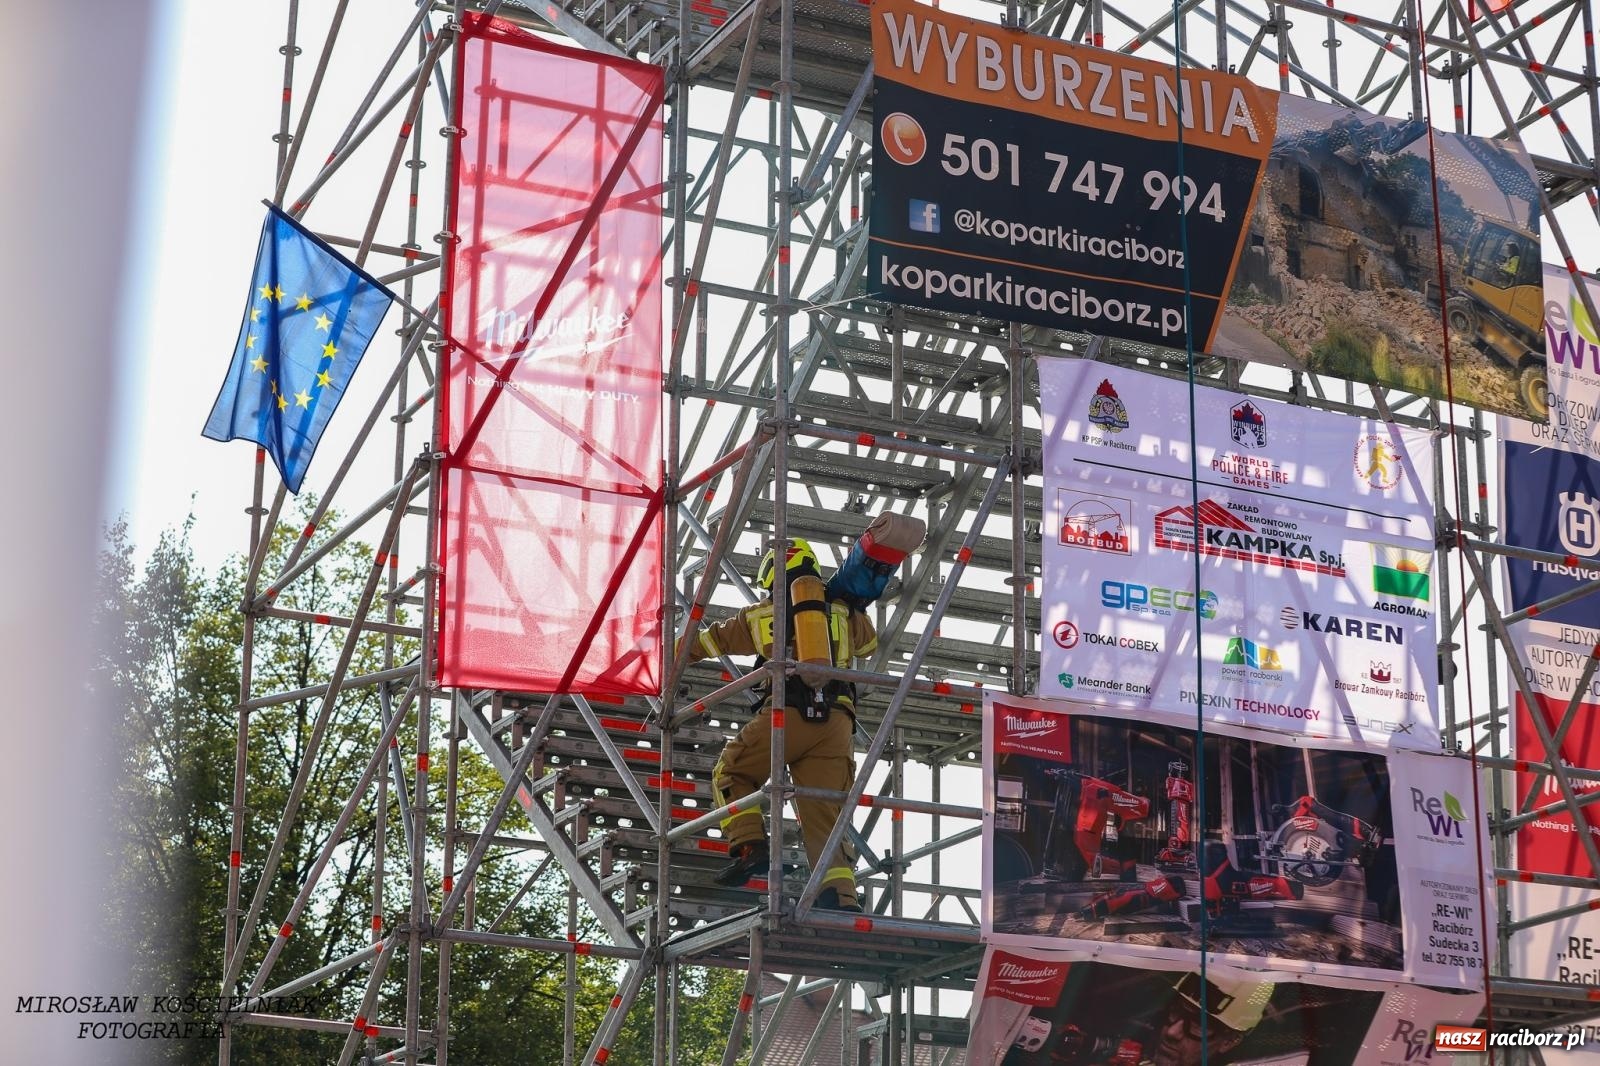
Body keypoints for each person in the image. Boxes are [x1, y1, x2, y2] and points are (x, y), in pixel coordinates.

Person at [684, 538, 877, 912]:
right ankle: (840, 895)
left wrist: (653, 655)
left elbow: (703, 645)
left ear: (770, 574)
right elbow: (868, 645)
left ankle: (750, 845)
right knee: (825, 809)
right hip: (837, 723)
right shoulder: (842, 611)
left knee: (734, 770)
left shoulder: (758, 616)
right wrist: (851, 605)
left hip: (785, 715)